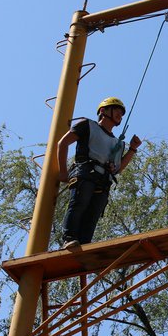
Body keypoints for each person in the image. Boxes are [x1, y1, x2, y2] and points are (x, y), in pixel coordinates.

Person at [57, 96, 142, 248]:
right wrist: (63, 172)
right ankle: (69, 238)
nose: (120, 115)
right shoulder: (87, 125)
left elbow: (118, 168)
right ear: (103, 111)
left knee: (93, 214)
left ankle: (84, 245)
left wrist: (132, 149)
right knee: (79, 204)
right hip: (86, 173)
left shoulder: (118, 143)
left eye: (122, 114)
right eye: (116, 110)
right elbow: (62, 143)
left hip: (103, 180)